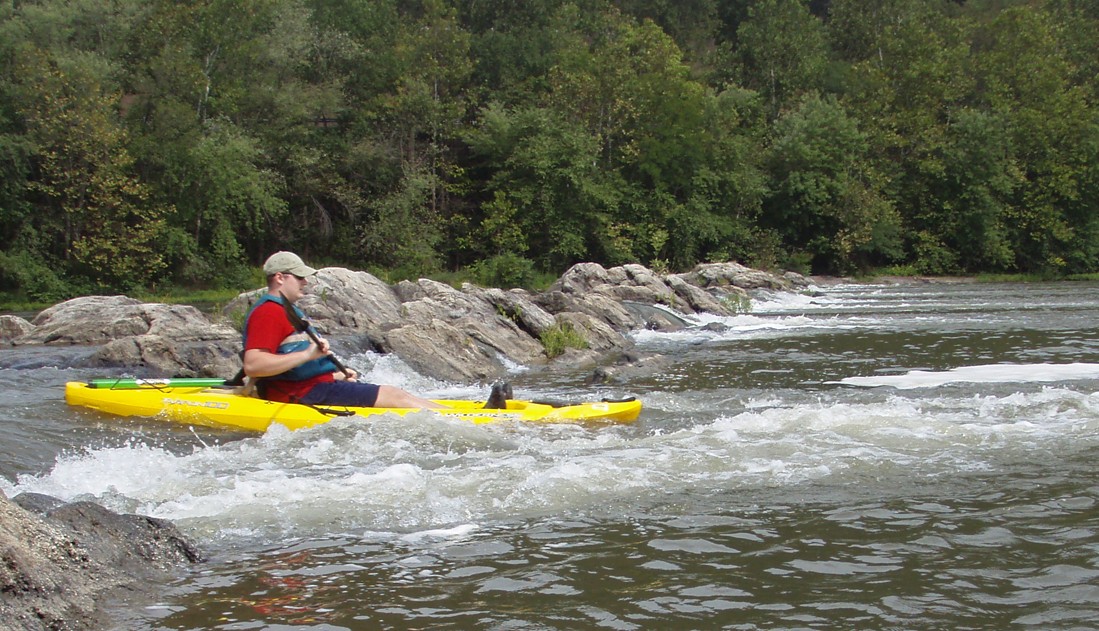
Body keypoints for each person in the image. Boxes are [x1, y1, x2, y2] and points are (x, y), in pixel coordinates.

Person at [243, 251, 445, 409]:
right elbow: (254, 365)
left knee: (399, 393)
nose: (305, 281)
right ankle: (457, 420)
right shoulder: (269, 312)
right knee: (395, 395)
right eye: (299, 277)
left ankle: (448, 412)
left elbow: (297, 368)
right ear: (280, 278)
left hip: (314, 387)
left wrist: (335, 376)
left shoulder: (286, 310)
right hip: (301, 394)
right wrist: (307, 355)